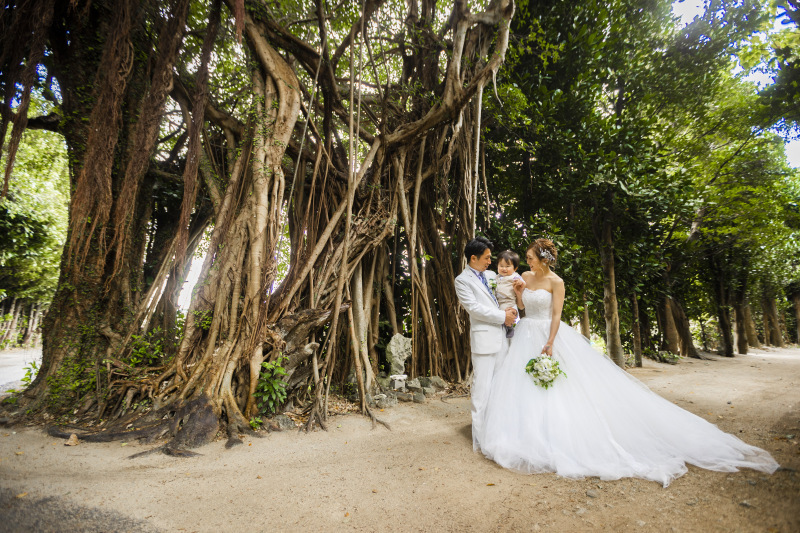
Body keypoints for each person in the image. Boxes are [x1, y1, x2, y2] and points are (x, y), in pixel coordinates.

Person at [480, 238, 779, 486]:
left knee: (559, 387)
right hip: (525, 333)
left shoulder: (556, 282)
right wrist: (519, 296)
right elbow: (521, 308)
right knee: (524, 385)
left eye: (530, 258)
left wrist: (550, 342)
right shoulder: (525, 279)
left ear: (543, 259)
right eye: (528, 260)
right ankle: (530, 436)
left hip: (548, 335)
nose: (527, 263)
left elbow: (556, 315)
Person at [454, 237, 517, 451]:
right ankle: (480, 439)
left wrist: (512, 313)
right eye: (487, 257)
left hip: (503, 338)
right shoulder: (462, 281)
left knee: (501, 387)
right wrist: (502, 316)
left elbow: (507, 295)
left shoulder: (492, 276)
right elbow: (474, 308)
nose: (491, 261)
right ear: (473, 258)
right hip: (484, 340)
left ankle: (499, 431)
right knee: (482, 389)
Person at [495, 250, 524, 339]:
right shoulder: (496, 277)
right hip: (500, 302)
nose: (504, 269)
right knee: (501, 315)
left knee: (510, 313)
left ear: (515, 268)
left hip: (510, 302)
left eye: (507, 266)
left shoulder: (515, 276)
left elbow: (522, 282)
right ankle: (506, 327)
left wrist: (520, 282)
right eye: (501, 266)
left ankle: (510, 327)